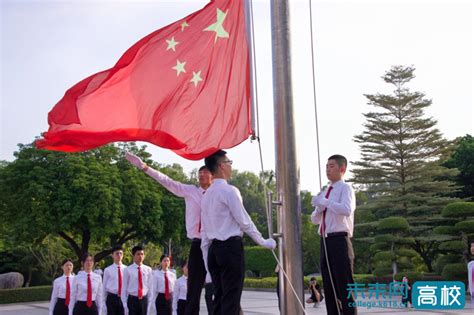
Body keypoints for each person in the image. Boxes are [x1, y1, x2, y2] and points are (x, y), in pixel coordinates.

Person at [125, 152, 211, 315]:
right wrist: (145, 167)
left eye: (205, 172)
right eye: (200, 172)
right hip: (197, 243)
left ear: (213, 175)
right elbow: (167, 181)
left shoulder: (218, 194)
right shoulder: (190, 191)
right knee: (193, 290)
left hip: (214, 243)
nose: (202, 175)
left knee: (215, 288)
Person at [200, 149, 277, 315]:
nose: (231, 166)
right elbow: (244, 221)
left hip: (214, 250)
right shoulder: (229, 191)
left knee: (219, 297)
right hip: (230, 249)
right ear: (221, 166)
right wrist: (263, 241)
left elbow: (204, 233)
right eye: (229, 163)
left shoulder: (206, 195)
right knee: (231, 298)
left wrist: (207, 260)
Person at [310, 154, 357, 315]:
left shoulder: (346, 188)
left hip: (339, 240)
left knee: (344, 286)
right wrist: (319, 207)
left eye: (332, 166)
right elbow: (314, 220)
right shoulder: (326, 191)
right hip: (325, 240)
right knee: (329, 287)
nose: (327, 169)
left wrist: (325, 202)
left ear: (342, 169)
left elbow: (346, 209)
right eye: (326, 166)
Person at [121, 245, 153, 315]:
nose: (140, 256)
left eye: (142, 254)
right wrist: (125, 305)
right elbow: (124, 288)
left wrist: (150, 303)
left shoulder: (148, 269)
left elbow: (150, 287)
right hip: (132, 300)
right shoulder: (127, 270)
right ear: (133, 255)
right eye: (138, 254)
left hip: (144, 300)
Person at [103, 245, 127, 315]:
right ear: (112, 255)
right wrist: (103, 303)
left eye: (121, 253)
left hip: (123, 298)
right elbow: (104, 287)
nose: (119, 255)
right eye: (117, 253)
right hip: (111, 298)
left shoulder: (127, 269)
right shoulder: (107, 270)